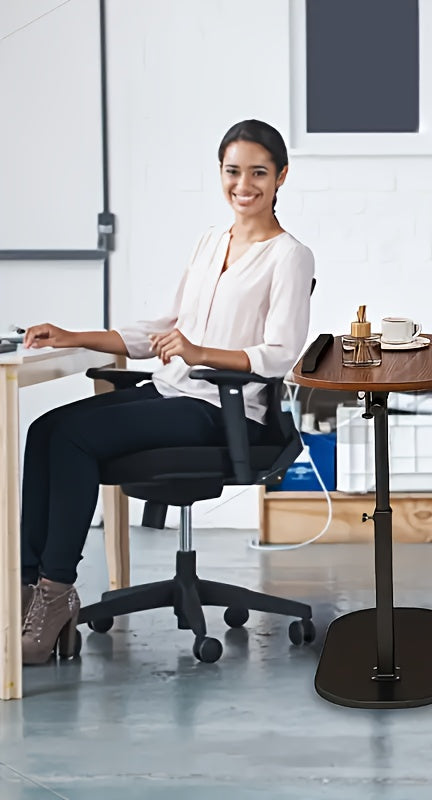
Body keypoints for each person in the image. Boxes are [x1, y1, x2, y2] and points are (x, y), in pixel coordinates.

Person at [19, 120, 315, 664]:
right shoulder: (209, 242)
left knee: (75, 440)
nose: (243, 184)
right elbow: (160, 329)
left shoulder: (289, 256)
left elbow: (279, 354)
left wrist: (199, 353)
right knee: (45, 430)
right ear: (220, 174)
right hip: (170, 391)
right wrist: (74, 334)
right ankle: (25, 591)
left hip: (224, 410)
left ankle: (56, 594)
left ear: (281, 177)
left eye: (258, 172)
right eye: (233, 171)